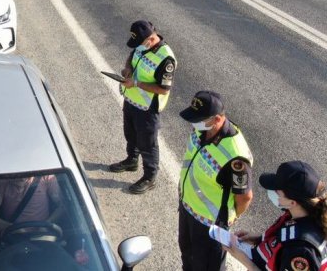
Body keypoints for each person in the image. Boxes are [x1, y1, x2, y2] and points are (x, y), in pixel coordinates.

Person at [178, 90, 254, 271]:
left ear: (217, 119)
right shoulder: (202, 129)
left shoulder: (236, 157)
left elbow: (244, 197)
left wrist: (232, 217)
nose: (194, 123)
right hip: (187, 207)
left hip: (209, 224)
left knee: (207, 267)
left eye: (199, 119)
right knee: (187, 254)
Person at [108, 20, 177, 194]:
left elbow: (163, 89)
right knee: (130, 134)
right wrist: (128, 70)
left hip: (147, 108)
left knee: (148, 143)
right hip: (131, 100)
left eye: (139, 43)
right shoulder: (141, 45)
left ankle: (150, 177)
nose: (137, 46)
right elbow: (131, 58)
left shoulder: (166, 58)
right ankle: (131, 161)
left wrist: (136, 83)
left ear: (150, 39)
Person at [226, 161, 327, 271]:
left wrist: (243, 259)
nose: (273, 192)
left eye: (277, 191)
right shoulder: (301, 214)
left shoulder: (302, 251)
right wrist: (259, 238)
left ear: (293, 202)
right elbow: (284, 241)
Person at [0, 175, 63, 251]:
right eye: (16, 175)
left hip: (43, 234)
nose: (21, 178)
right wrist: (13, 228)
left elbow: (62, 206)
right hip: (16, 239)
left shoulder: (46, 177)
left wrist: (47, 223)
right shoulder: (1, 183)